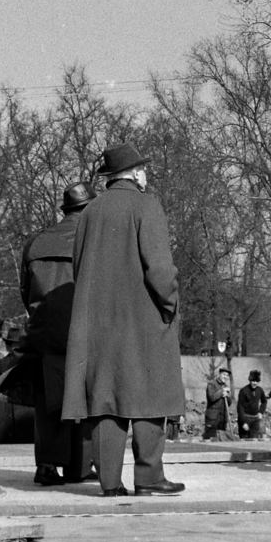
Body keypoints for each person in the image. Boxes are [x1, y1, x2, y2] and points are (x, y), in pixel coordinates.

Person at [62, 142, 187, 497]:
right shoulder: (147, 205)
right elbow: (160, 268)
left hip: (98, 324)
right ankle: (149, 478)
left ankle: (110, 482)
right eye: (143, 168)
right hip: (143, 319)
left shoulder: (89, 212)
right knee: (151, 395)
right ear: (134, 173)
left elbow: (78, 266)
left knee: (105, 400)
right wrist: (170, 305)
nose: (146, 174)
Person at [21, 182, 93, 484]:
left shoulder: (36, 242)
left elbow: (25, 291)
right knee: (88, 398)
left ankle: (47, 465)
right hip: (84, 329)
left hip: (44, 332)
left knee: (48, 399)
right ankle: (80, 466)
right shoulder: (94, 240)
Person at [0, 323, 37, 445]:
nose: (18, 349)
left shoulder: (35, 368)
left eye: (21, 345)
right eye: (15, 345)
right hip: (3, 435)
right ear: (8, 347)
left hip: (29, 434)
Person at [236, 371, 267, 438]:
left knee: (254, 441)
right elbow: (240, 407)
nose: (255, 383)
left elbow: (264, 401)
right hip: (245, 418)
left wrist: (261, 412)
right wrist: (243, 422)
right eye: (253, 381)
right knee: (244, 441)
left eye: (257, 381)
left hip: (255, 419)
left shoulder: (260, 390)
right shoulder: (244, 391)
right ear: (250, 380)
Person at [203, 368, 230, 440]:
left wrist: (227, 396)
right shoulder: (211, 384)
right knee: (210, 438)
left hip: (222, 419)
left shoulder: (226, 386)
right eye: (224, 374)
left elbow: (229, 403)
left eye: (227, 375)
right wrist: (222, 391)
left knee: (221, 440)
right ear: (219, 374)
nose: (225, 377)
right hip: (213, 418)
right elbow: (212, 397)